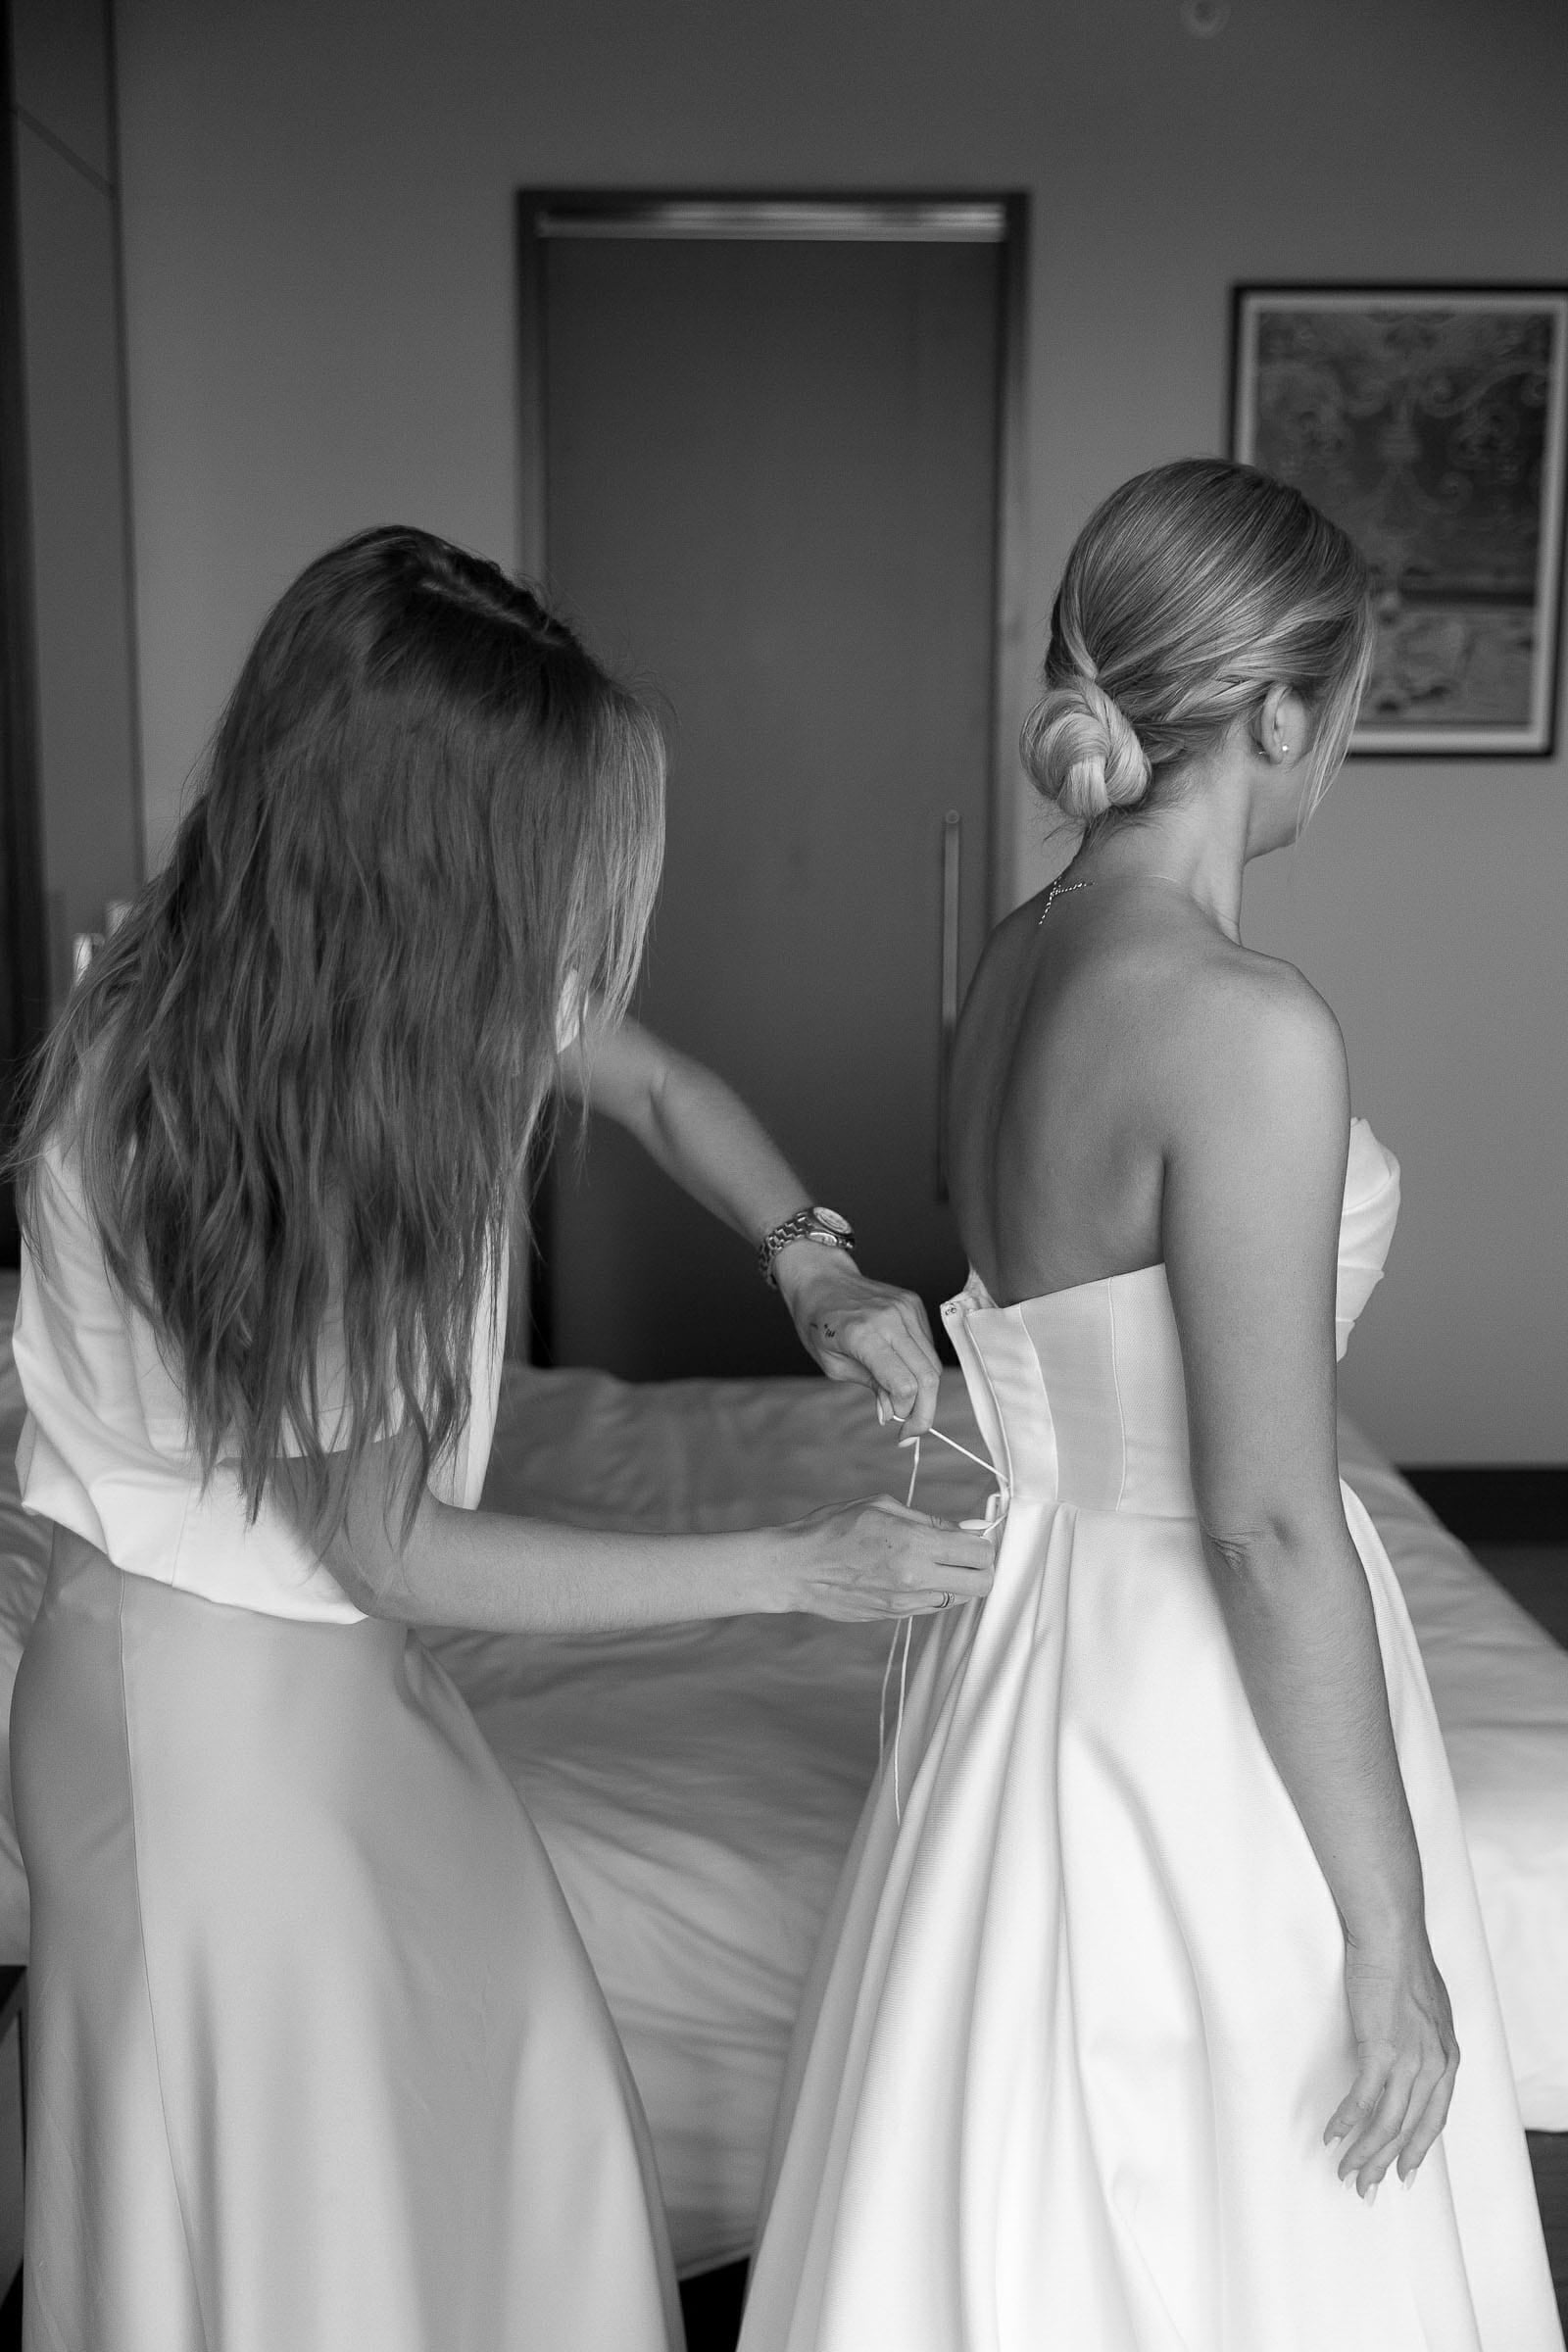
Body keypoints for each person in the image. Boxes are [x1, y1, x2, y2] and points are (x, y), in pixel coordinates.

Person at [7, 526, 994, 2352]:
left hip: (307, 1678)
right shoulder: (236, 1095)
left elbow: (660, 1084)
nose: (573, 896)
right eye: (545, 845)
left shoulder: (363, 977)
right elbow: (383, 1545)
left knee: (490, 2097)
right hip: (205, 1714)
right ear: (423, 835)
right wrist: (801, 1571)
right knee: (304, 2220)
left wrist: (817, 1275)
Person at [739, 460, 1563, 2351]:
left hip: (1021, 1637)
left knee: (1019, 2182)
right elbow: (1267, 1525)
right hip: (1189, 1691)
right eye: (1343, 714)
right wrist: (1388, 1930)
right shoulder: (1244, 1022)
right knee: (1243, 2201)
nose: (1334, 758)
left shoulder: (1020, 960)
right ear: (1281, 712)